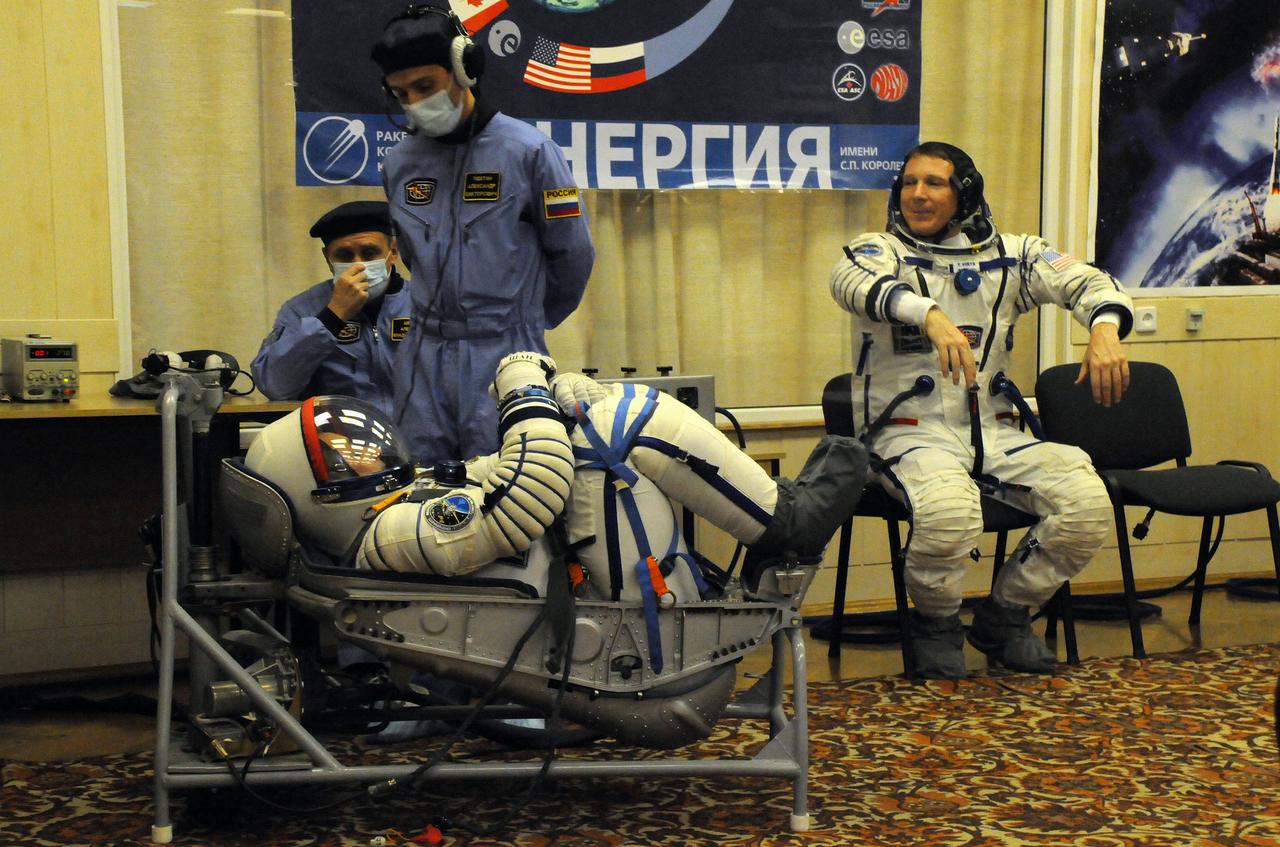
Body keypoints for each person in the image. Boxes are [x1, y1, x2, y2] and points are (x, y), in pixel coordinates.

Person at [245, 353, 868, 657]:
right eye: (347, 459)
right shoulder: (394, 534)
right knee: (617, 427)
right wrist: (523, 390)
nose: (370, 459)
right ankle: (784, 521)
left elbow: (496, 473)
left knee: (594, 421)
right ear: (315, 490)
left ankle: (777, 510)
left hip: (592, 593)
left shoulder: (394, 511)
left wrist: (559, 400)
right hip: (615, 630)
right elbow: (527, 493)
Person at [829, 141, 1134, 679]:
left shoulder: (1011, 256)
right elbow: (853, 283)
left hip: (989, 432)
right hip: (905, 434)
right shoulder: (878, 251)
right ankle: (937, 624)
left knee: (1086, 500)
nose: (917, 195)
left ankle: (1006, 616)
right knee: (949, 512)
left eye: (934, 183)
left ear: (965, 192)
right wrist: (928, 315)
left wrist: (1105, 328)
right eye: (909, 183)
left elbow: (1087, 280)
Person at [370, 4, 595, 465]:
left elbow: (572, 255)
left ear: (463, 69)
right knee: (426, 496)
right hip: (423, 357)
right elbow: (414, 256)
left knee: (510, 494)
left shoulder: (529, 152)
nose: (413, 102)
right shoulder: (400, 164)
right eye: (401, 93)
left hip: (507, 351)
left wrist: (525, 322)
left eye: (425, 86)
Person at [251, 200, 411, 415]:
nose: (358, 264)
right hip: (338, 439)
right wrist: (332, 316)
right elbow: (276, 386)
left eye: (369, 252)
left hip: (419, 440)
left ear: (393, 252)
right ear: (328, 259)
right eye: (344, 256)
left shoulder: (428, 306)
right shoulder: (301, 310)